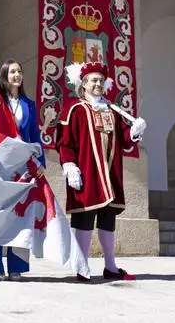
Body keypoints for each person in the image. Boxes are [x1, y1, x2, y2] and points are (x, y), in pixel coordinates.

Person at [56, 61, 146, 281]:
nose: (98, 83)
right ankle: (82, 266)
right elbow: (65, 142)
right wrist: (69, 165)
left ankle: (110, 266)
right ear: (83, 84)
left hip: (110, 174)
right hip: (86, 173)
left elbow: (125, 142)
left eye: (101, 80)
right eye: (93, 80)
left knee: (108, 219)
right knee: (84, 219)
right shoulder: (75, 109)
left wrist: (134, 132)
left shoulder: (113, 111)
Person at [0, 59, 46, 281]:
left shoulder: (29, 104)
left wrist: (40, 163)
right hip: (0, 165)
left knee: (21, 215)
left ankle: (17, 266)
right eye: (12, 71)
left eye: (19, 71)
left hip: (24, 167)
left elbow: (34, 136)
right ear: (4, 75)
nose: (17, 75)